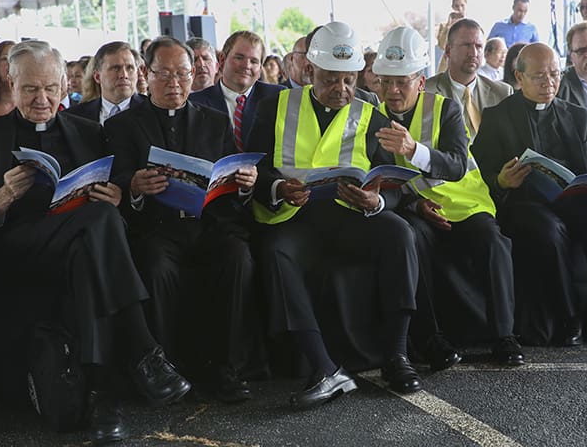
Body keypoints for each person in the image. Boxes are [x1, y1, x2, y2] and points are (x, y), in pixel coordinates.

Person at [0, 39, 191, 444]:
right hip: (17, 252)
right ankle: (142, 349)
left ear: (66, 84)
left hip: (81, 254)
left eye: (50, 88)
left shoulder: (89, 131)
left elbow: (116, 192)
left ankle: (103, 395)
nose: (42, 99)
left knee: (94, 236)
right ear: (12, 82)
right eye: (30, 89)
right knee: (96, 224)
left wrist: (118, 196)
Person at [247, 21, 422, 408]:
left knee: (399, 234)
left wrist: (375, 202)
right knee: (276, 252)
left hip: (348, 216)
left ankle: (397, 355)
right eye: (330, 79)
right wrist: (278, 188)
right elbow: (252, 170)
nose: (341, 90)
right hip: (294, 216)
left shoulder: (371, 113)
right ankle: (325, 368)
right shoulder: (274, 106)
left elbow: (394, 186)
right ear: (310, 71)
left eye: (349, 80)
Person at [106, 36, 263, 402]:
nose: (175, 83)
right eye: (166, 74)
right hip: (158, 230)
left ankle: (227, 367)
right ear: (147, 74)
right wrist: (135, 186)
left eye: (184, 74)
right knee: (156, 265)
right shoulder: (123, 126)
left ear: (195, 75)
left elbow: (230, 177)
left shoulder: (214, 120)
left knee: (236, 257)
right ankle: (165, 367)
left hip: (209, 225)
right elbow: (115, 182)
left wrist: (243, 183)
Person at [373, 26, 523, 365]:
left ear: (421, 81)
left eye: (402, 82)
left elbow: (456, 166)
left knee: (493, 242)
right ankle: (431, 338)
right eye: (386, 82)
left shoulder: (446, 110)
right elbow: (382, 177)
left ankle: (504, 335)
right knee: (411, 242)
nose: (392, 91)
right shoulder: (373, 117)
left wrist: (414, 151)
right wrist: (415, 204)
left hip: (468, 204)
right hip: (419, 209)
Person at [472, 43, 587, 347]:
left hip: (573, 198)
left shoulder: (578, 115)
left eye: (555, 75)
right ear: (519, 76)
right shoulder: (497, 117)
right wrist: (502, 180)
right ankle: (568, 317)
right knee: (550, 232)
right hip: (524, 202)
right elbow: (482, 174)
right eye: (540, 77)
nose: (550, 84)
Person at [189, 30, 285, 152]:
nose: (246, 66)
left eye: (254, 61)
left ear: (260, 68)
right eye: (239, 58)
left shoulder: (278, 97)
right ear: (222, 60)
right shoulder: (195, 103)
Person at [426, 19, 513, 141]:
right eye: (466, 45)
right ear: (447, 51)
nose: (473, 53)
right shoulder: (426, 92)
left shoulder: (502, 93)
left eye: (479, 46)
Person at [65, 41, 146, 125]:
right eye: (116, 68)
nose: (124, 75)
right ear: (97, 76)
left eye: (130, 68)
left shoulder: (152, 112)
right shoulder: (74, 117)